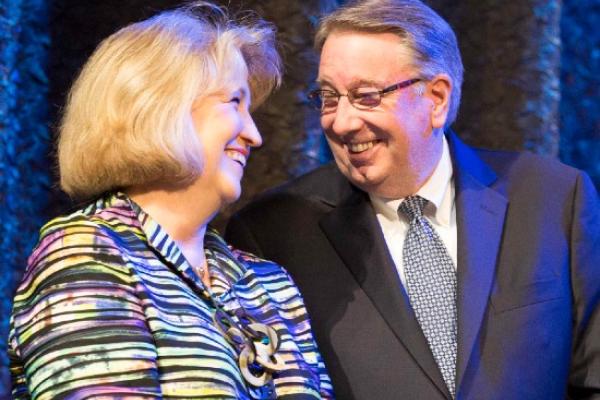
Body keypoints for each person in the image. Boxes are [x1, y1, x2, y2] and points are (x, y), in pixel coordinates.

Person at [225, 0, 600, 399]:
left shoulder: (553, 197)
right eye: (329, 98)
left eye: (366, 95)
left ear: (436, 99)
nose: (342, 122)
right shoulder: (273, 234)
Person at [8, 3, 334, 399]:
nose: (254, 135)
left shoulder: (266, 282)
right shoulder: (86, 253)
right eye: (234, 102)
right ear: (160, 107)